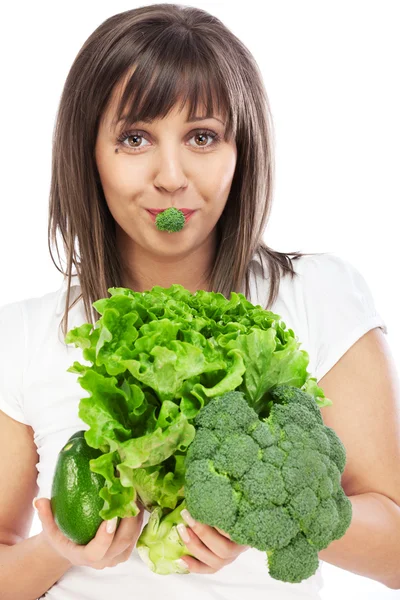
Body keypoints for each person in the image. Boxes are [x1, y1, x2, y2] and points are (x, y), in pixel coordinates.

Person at [1, 4, 399, 599]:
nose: (171, 176)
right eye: (135, 138)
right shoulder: (30, 331)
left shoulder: (318, 296)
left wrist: (269, 508)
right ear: (88, 153)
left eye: (202, 136)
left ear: (243, 152)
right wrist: (58, 548)